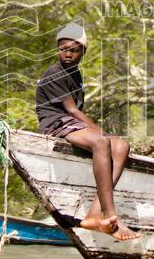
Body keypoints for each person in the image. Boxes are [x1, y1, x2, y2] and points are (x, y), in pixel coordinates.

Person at [35, 23, 138, 241]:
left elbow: (76, 113)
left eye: (73, 50)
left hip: (70, 122)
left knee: (121, 146)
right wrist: (102, 134)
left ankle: (94, 213)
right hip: (56, 122)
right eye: (63, 49)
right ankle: (111, 215)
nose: (68, 54)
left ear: (83, 52)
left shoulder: (75, 74)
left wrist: (106, 136)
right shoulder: (54, 73)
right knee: (102, 141)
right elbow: (72, 110)